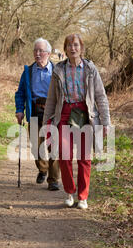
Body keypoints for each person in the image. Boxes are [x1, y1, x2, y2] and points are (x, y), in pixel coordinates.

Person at [43, 33, 110, 209]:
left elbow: (101, 97)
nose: (73, 48)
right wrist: (45, 124)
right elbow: (51, 99)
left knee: (84, 158)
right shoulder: (59, 70)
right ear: (65, 49)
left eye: (76, 45)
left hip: (85, 114)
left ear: (81, 48)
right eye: (69, 45)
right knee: (64, 156)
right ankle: (70, 192)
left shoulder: (90, 69)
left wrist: (106, 122)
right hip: (64, 113)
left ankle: (83, 196)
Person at [15, 38, 60, 190]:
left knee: (53, 147)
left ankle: (53, 180)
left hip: (53, 113)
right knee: (36, 146)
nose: (37, 53)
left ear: (48, 53)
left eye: (41, 51)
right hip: (34, 110)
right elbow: (20, 93)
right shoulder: (28, 72)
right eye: (35, 50)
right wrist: (19, 110)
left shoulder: (57, 71)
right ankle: (43, 169)